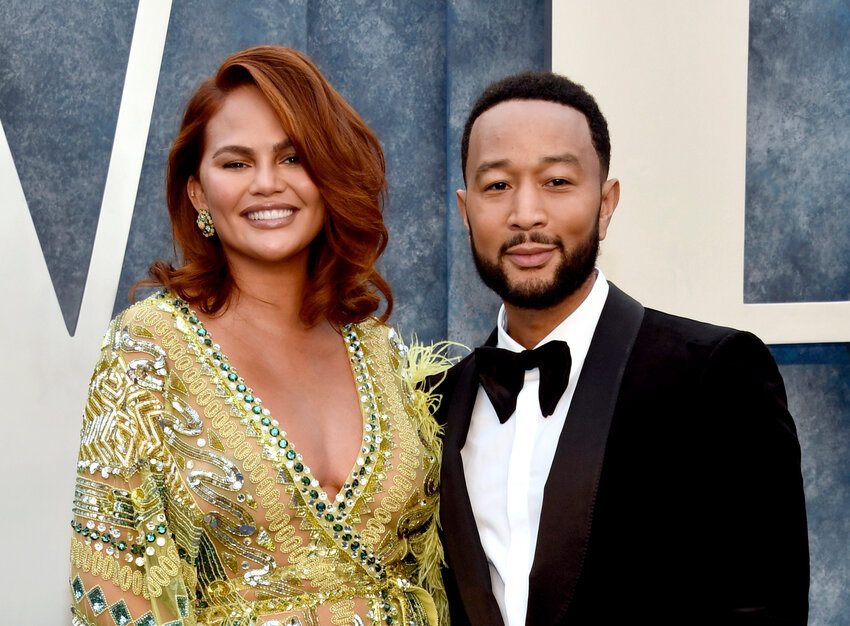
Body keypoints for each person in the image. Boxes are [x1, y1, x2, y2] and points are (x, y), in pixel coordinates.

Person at [69, 46, 448, 626]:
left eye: (293, 157)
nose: (267, 184)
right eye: (236, 163)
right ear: (197, 192)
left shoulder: (381, 351)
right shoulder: (146, 353)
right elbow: (112, 592)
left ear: (325, 177)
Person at [437, 71, 809, 625]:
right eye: (497, 186)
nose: (526, 214)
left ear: (606, 203)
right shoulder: (433, 402)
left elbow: (765, 608)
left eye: (558, 182)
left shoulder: (714, 375)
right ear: (466, 212)